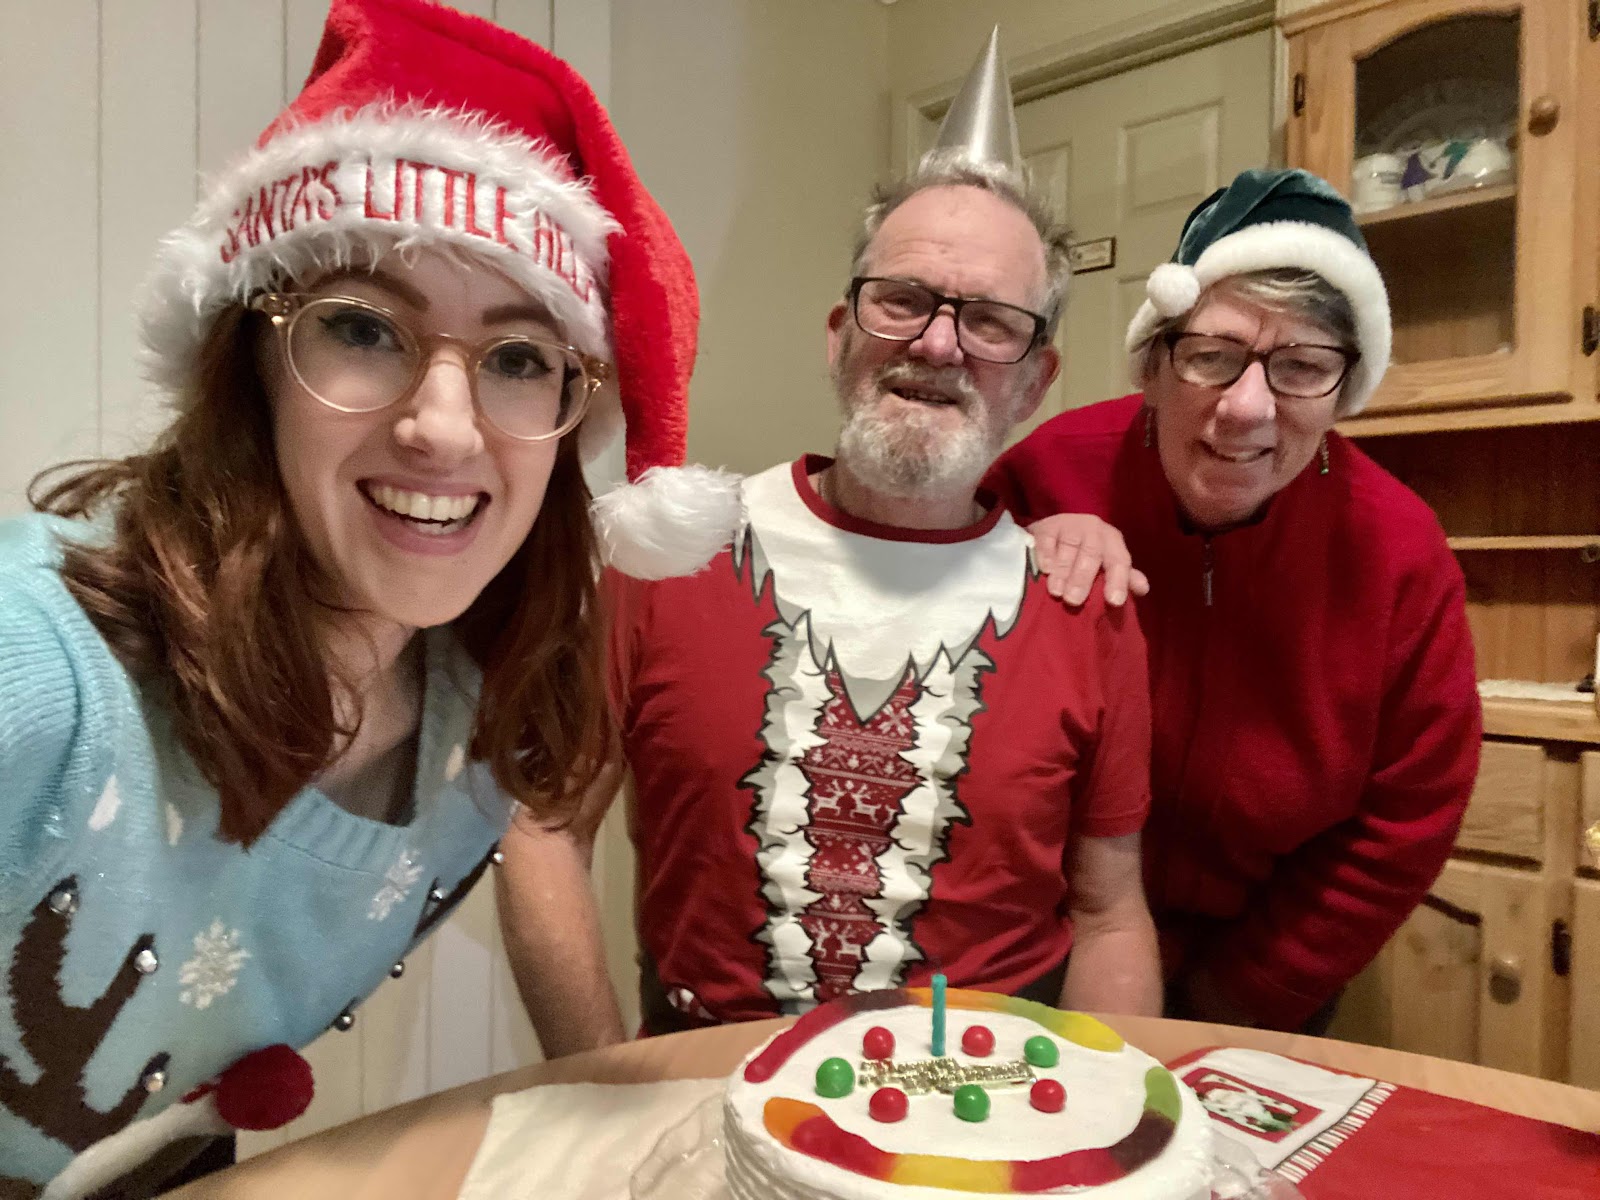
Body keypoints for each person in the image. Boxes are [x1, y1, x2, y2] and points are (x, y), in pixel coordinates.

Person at [0, 1, 724, 1195]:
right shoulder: (31, 664)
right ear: (250, 365)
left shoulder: (471, 751)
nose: (443, 428)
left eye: (518, 358)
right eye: (361, 329)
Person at [498, 33, 1162, 1057]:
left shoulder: (1087, 605)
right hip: (694, 1091)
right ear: (839, 333)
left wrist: (1105, 1115)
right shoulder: (669, 552)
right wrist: (599, 1091)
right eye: (901, 299)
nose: (935, 344)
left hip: (989, 1108)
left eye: (990, 322)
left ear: (1035, 381)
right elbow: (544, 827)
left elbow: (1110, 912)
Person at [987, 168, 1482, 1033]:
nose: (1248, 408)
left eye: (1303, 367)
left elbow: (1407, 816)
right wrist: (1004, 560)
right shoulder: (1045, 475)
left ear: (1344, 394)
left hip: (1261, 974)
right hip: (1043, 955)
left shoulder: (1400, 551)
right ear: (1153, 365)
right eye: (1211, 356)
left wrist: (1242, 997)